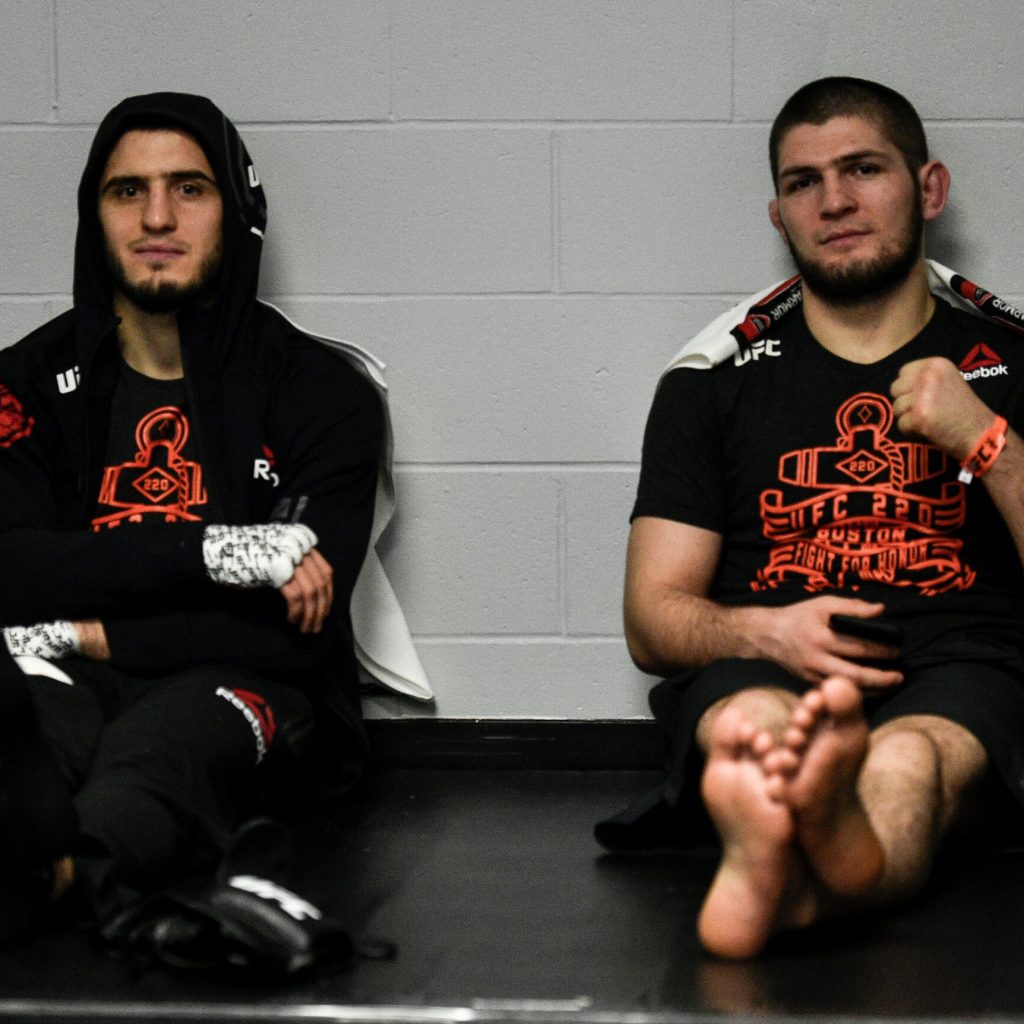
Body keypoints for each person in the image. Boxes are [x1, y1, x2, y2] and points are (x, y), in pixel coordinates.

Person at [610, 77, 1024, 959]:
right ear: (779, 212)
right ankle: (801, 850)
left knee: (913, 763)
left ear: (930, 188)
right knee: (749, 734)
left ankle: (783, 876)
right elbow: (652, 619)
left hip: (958, 664)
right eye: (803, 182)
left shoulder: (1013, 365)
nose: (834, 201)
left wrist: (985, 438)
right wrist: (766, 635)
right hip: (767, 659)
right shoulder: (708, 383)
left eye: (863, 168)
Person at [0, 93, 384, 940]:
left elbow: (294, 634)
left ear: (238, 209)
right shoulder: (23, 382)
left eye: (190, 188)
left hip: (239, 681)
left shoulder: (323, 394)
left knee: (150, 760)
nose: (158, 217)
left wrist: (97, 631)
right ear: (93, 215)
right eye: (127, 191)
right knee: (22, 731)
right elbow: (11, 567)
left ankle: (58, 881)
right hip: (55, 663)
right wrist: (218, 553)